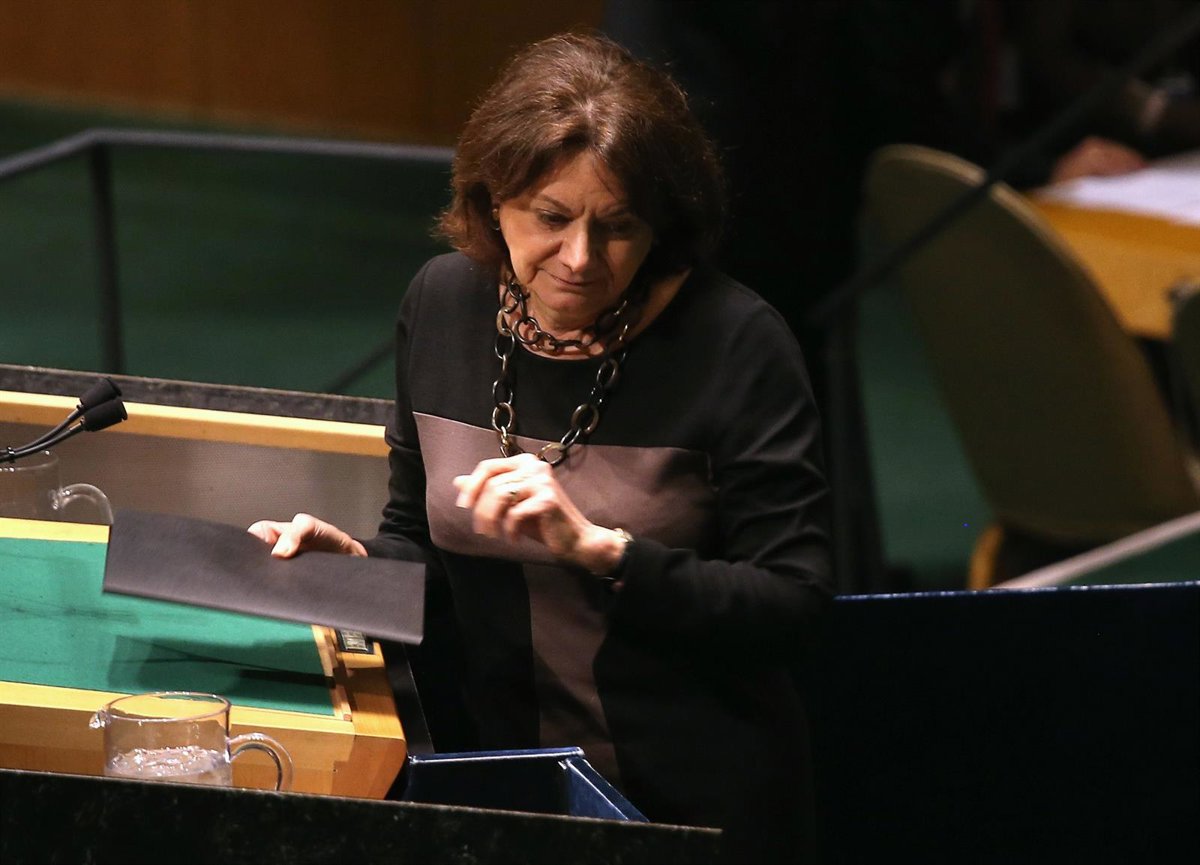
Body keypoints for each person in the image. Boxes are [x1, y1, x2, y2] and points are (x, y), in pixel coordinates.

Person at [248, 31, 832, 863]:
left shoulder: (737, 343)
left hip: (693, 806)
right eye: (551, 218)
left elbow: (795, 607)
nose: (581, 259)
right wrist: (358, 568)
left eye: (619, 226)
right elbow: (422, 544)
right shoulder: (442, 303)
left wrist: (603, 551)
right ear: (493, 202)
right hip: (498, 786)